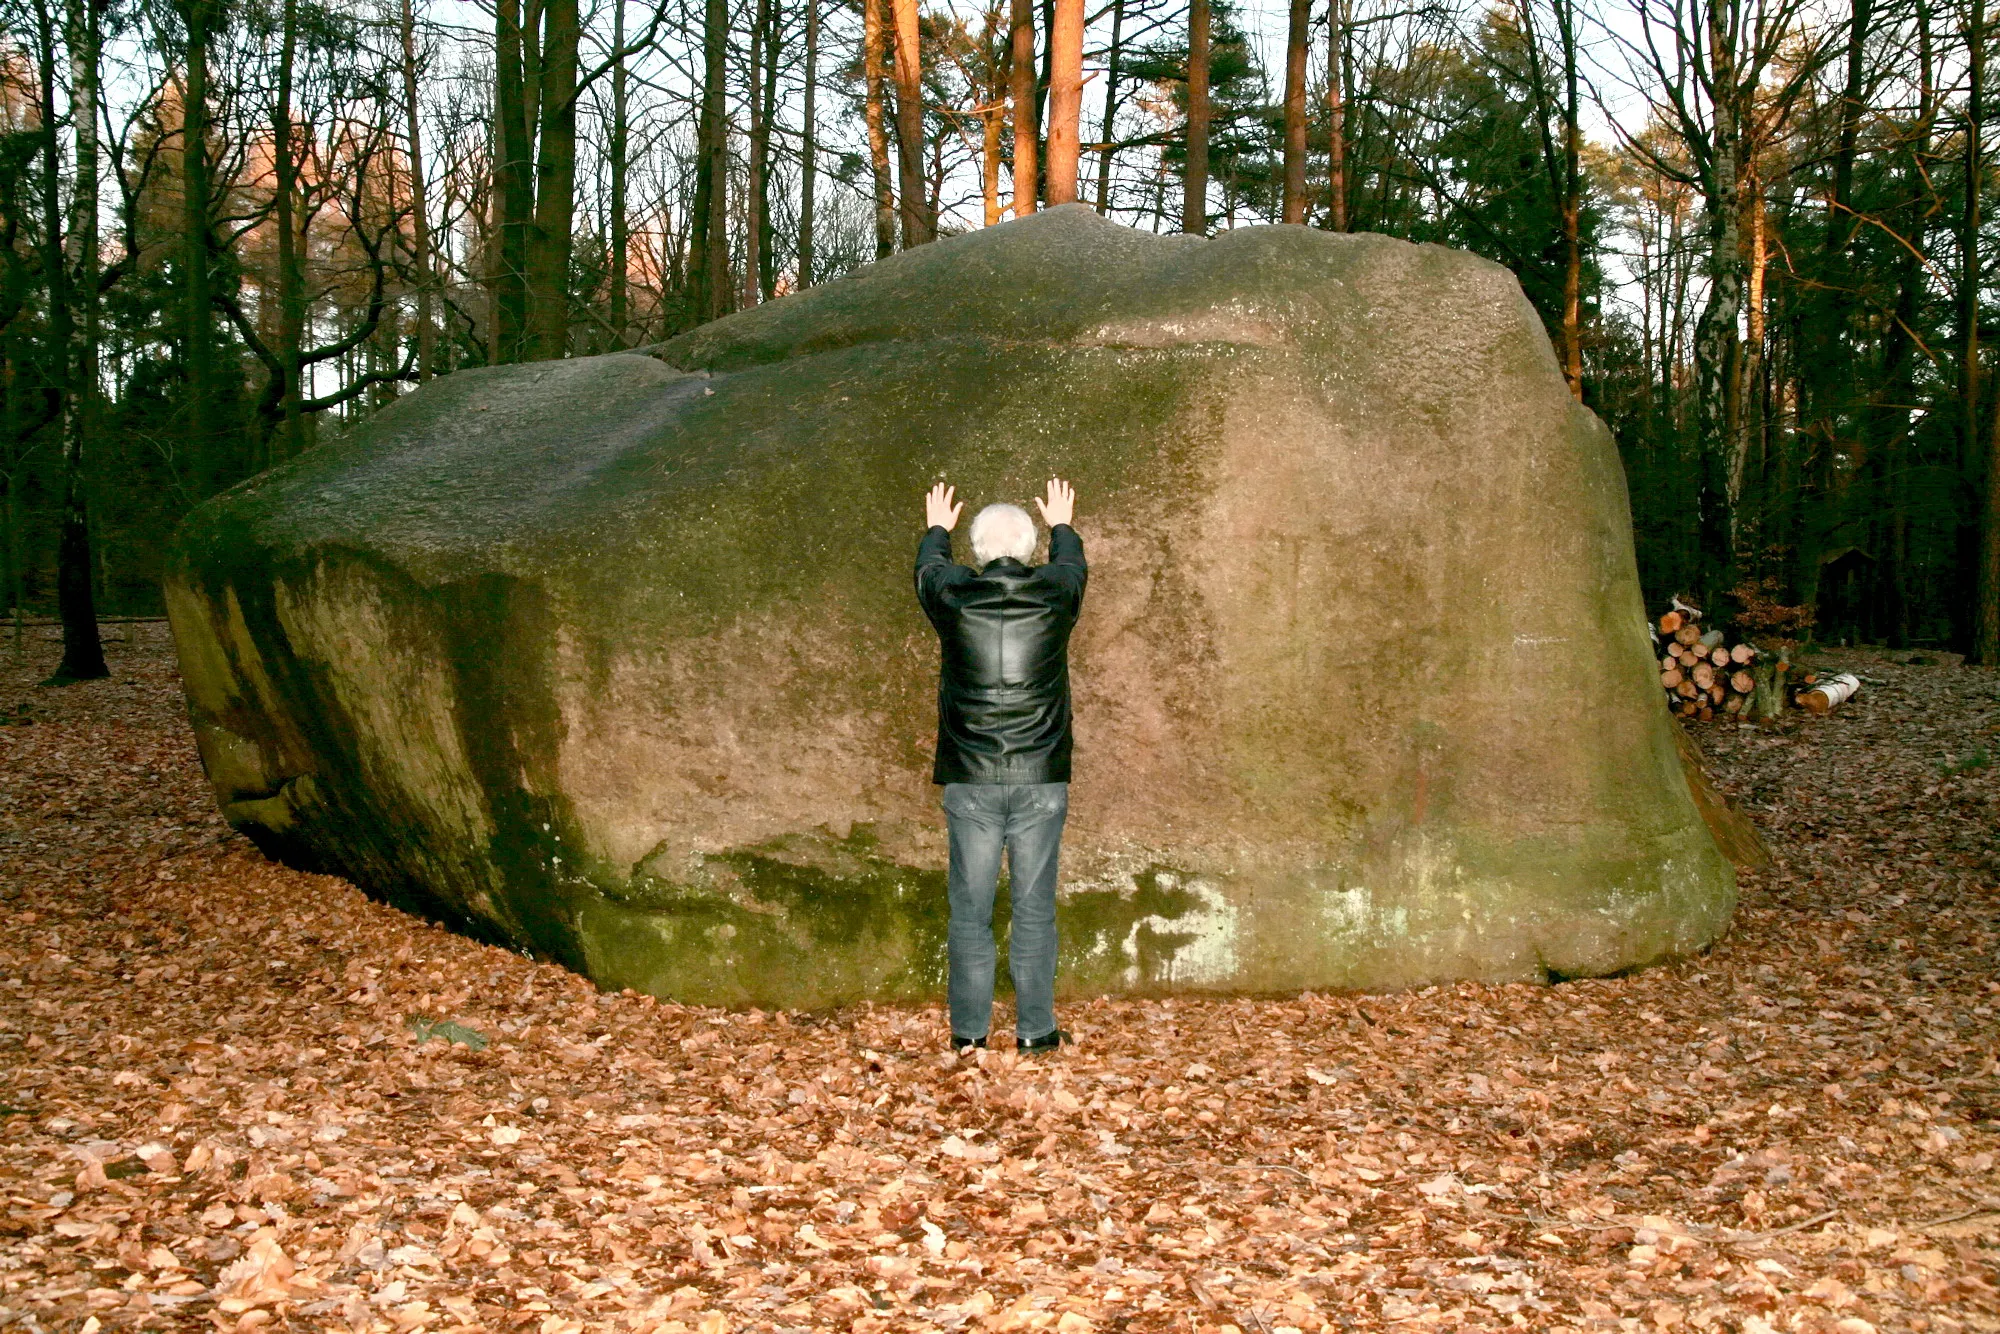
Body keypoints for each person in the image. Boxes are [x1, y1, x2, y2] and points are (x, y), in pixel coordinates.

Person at [914, 478, 1087, 1055]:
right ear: (1030, 549)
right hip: (1040, 779)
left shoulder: (954, 597)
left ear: (979, 552)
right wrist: (1063, 524)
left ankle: (969, 1036)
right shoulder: (1055, 596)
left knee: (970, 913)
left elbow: (929, 572)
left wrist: (937, 528)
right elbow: (1072, 566)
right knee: (1035, 911)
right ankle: (1037, 1034)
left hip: (972, 780)